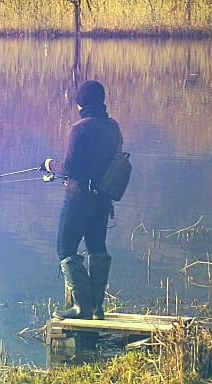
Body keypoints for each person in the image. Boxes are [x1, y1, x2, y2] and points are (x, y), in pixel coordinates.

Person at [40, 80, 123, 320]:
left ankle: (81, 308)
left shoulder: (80, 128)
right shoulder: (113, 127)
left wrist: (48, 165)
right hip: (103, 201)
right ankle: (97, 308)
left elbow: (69, 167)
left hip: (78, 200)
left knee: (65, 249)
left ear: (81, 104)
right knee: (97, 249)